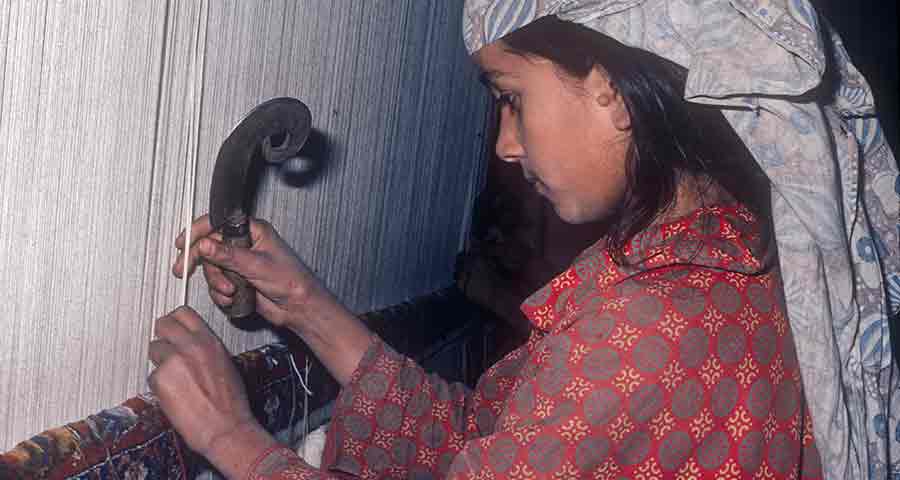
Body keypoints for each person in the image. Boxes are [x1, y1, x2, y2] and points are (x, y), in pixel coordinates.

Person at [148, 1, 900, 479]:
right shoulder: (722, 258)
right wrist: (310, 308)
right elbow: (495, 443)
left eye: (511, 99)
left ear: (609, 90)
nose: (505, 144)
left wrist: (233, 439)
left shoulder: (650, 328)